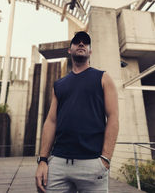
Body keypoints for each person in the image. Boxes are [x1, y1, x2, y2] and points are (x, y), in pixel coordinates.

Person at [35, 31, 119, 193]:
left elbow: (113, 117)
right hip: (58, 163)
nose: (81, 44)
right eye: (77, 42)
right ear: (69, 50)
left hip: (92, 163)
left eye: (85, 43)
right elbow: (51, 121)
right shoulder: (59, 84)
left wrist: (105, 159)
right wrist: (43, 160)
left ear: (90, 52)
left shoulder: (103, 78)